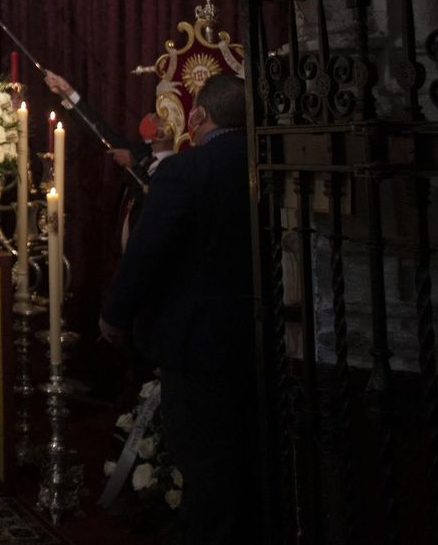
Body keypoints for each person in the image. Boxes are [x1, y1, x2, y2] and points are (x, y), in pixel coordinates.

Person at [100, 74, 260, 544]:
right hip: (261, 337)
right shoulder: (269, 163)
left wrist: (115, 315)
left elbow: (146, 254)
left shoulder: (185, 172)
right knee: (248, 456)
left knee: (203, 460)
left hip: (197, 342)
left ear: (200, 116)